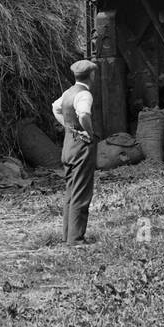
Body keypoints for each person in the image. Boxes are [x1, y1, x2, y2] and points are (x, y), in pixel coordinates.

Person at [51, 59, 99, 247]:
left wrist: (69, 127)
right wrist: (88, 132)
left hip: (68, 147)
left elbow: (55, 108)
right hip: (81, 148)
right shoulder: (84, 95)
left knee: (71, 193)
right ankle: (76, 240)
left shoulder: (68, 92)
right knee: (81, 193)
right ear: (92, 75)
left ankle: (67, 236)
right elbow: (84, 114)